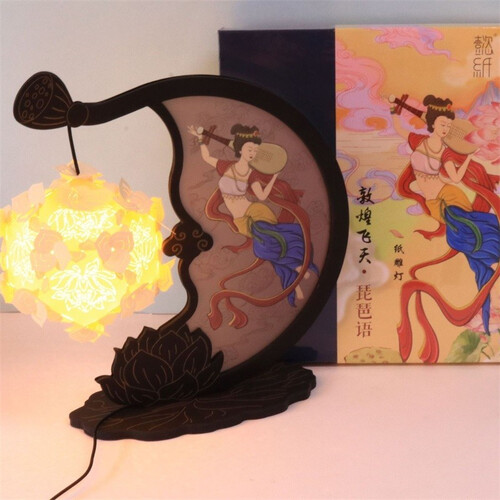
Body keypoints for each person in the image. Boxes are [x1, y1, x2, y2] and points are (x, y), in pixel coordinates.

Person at [391, 95, 499, 363]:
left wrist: (467, 159)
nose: (445, 128)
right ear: (432, 124)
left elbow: (455, 177)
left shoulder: (448, 151)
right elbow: (399, 128)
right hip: (434, 202)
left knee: (462, 235)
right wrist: (395, 108)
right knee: (463, 237)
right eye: (442, 124)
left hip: (449, 196)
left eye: (448, 126)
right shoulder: (418, 141)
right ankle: (487, 254)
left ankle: (488, 252)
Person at [187, 123, 318, 329]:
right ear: (240, 149)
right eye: (250, 149)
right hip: (241, 220)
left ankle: (297, 270)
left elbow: (262, 196)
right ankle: (295, 278)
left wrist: (274, 177)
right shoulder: (226, 166)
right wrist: (201, 139)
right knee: (270, 247)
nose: (252, 153)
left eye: (255, 151)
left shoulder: (253, 174)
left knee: (263, 247)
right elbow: (206, 157)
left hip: (256, 212)